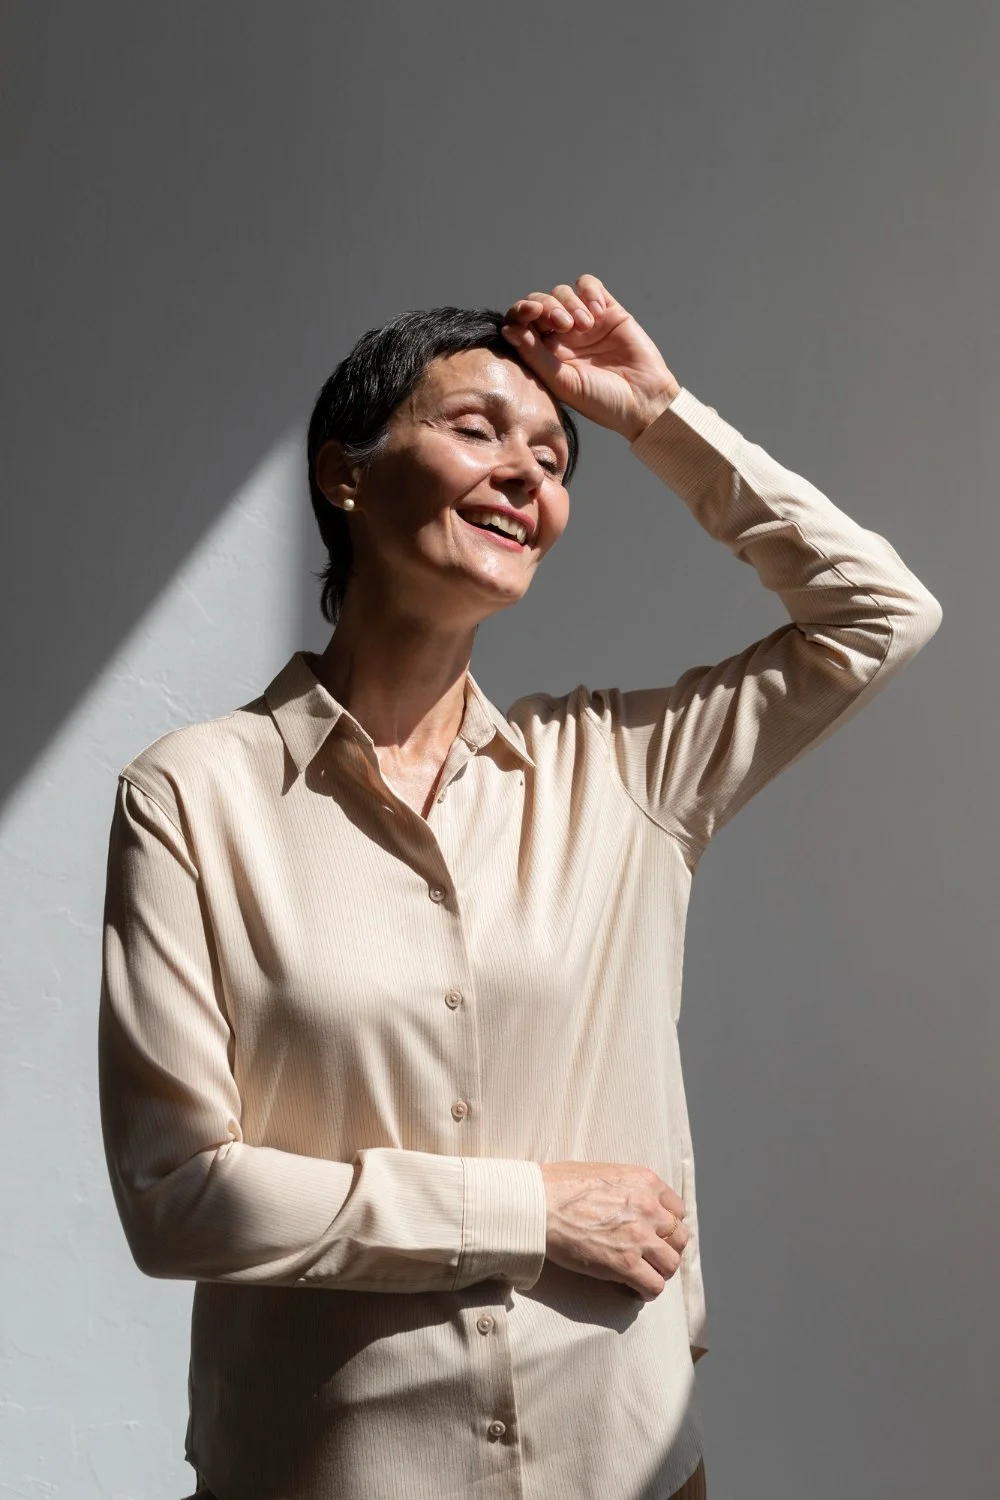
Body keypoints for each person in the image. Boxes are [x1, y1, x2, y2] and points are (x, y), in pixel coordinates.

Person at [98, 274, 942, 1500]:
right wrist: (529, 1211)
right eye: (476, 429)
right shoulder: (192, 795)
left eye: (551, 459)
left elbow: (880, 614)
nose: (525, 476)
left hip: (626, 1466)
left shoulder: (623, 772)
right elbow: (178, 1198)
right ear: (344, 474)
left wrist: (655, 417)